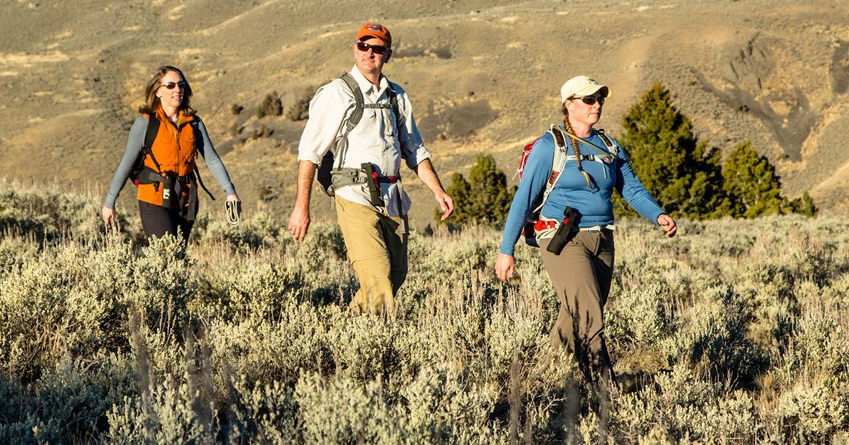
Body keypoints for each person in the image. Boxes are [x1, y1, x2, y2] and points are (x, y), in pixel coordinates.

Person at [495, 75, 677, 385]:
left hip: (603, 238)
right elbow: (523, 199)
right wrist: (505, 250)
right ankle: (604, 389)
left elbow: (631, 190)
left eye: (600, 99)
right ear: (568, 105)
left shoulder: (609, 146)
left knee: (576, 313)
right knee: (590, 313)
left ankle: (539, 380)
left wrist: (658, 215)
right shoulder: (549, 145)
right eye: (589, 100)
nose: (597, 105)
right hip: (562, 237)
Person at [288, 22, 455, 315]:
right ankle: (378, 350)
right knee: (377, 277)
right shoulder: (337, 93)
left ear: (387, 55)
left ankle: (348, 329)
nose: (369, 53)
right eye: (363, 46)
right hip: (354, 196)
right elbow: (310, 153)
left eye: (377, 48)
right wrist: (302, 207)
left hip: (393, 197)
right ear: (355, 49)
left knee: (395, 275)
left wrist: (438, 190)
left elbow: (414, 149)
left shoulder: (397, 96)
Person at [102, 65, 241, 241]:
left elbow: (212, 160)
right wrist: (110, 201)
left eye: (181, 85)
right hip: (153, 197)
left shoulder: (194, 123)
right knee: (165, 253)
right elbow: (126, 164)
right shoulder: (145, 124)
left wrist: (230, 192)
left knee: (178, 256)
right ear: (158, 91)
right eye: (171, 85)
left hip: (186, 199)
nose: (177, 90)